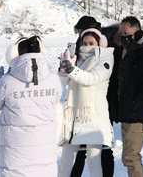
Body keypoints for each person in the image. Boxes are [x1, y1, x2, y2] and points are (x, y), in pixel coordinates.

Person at [0, 36, 62, 177]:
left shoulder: (7, 80)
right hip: (44, 146)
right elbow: (55, 100)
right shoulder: (54, 79)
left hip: (15, 149)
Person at [58, 28, 115, 177]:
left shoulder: (105, 58)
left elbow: (92, 78)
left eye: (91, 43)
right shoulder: (77, 59)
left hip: (93, 117)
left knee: (93, 162)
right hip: (73, 116)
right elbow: (63, 82)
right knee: (65, 163)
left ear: (99, 43)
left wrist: (72, 70)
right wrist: (64, 68)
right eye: (84, 43)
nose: (87, 46)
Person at [107, 16, 143, 177]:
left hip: (138, 113)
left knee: (131, 157)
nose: (123, 36)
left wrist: (134, 105)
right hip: (127, 112)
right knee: (129, 157)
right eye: (121, 33)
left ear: (137, 32)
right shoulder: (123, 51)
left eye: (126, 33)